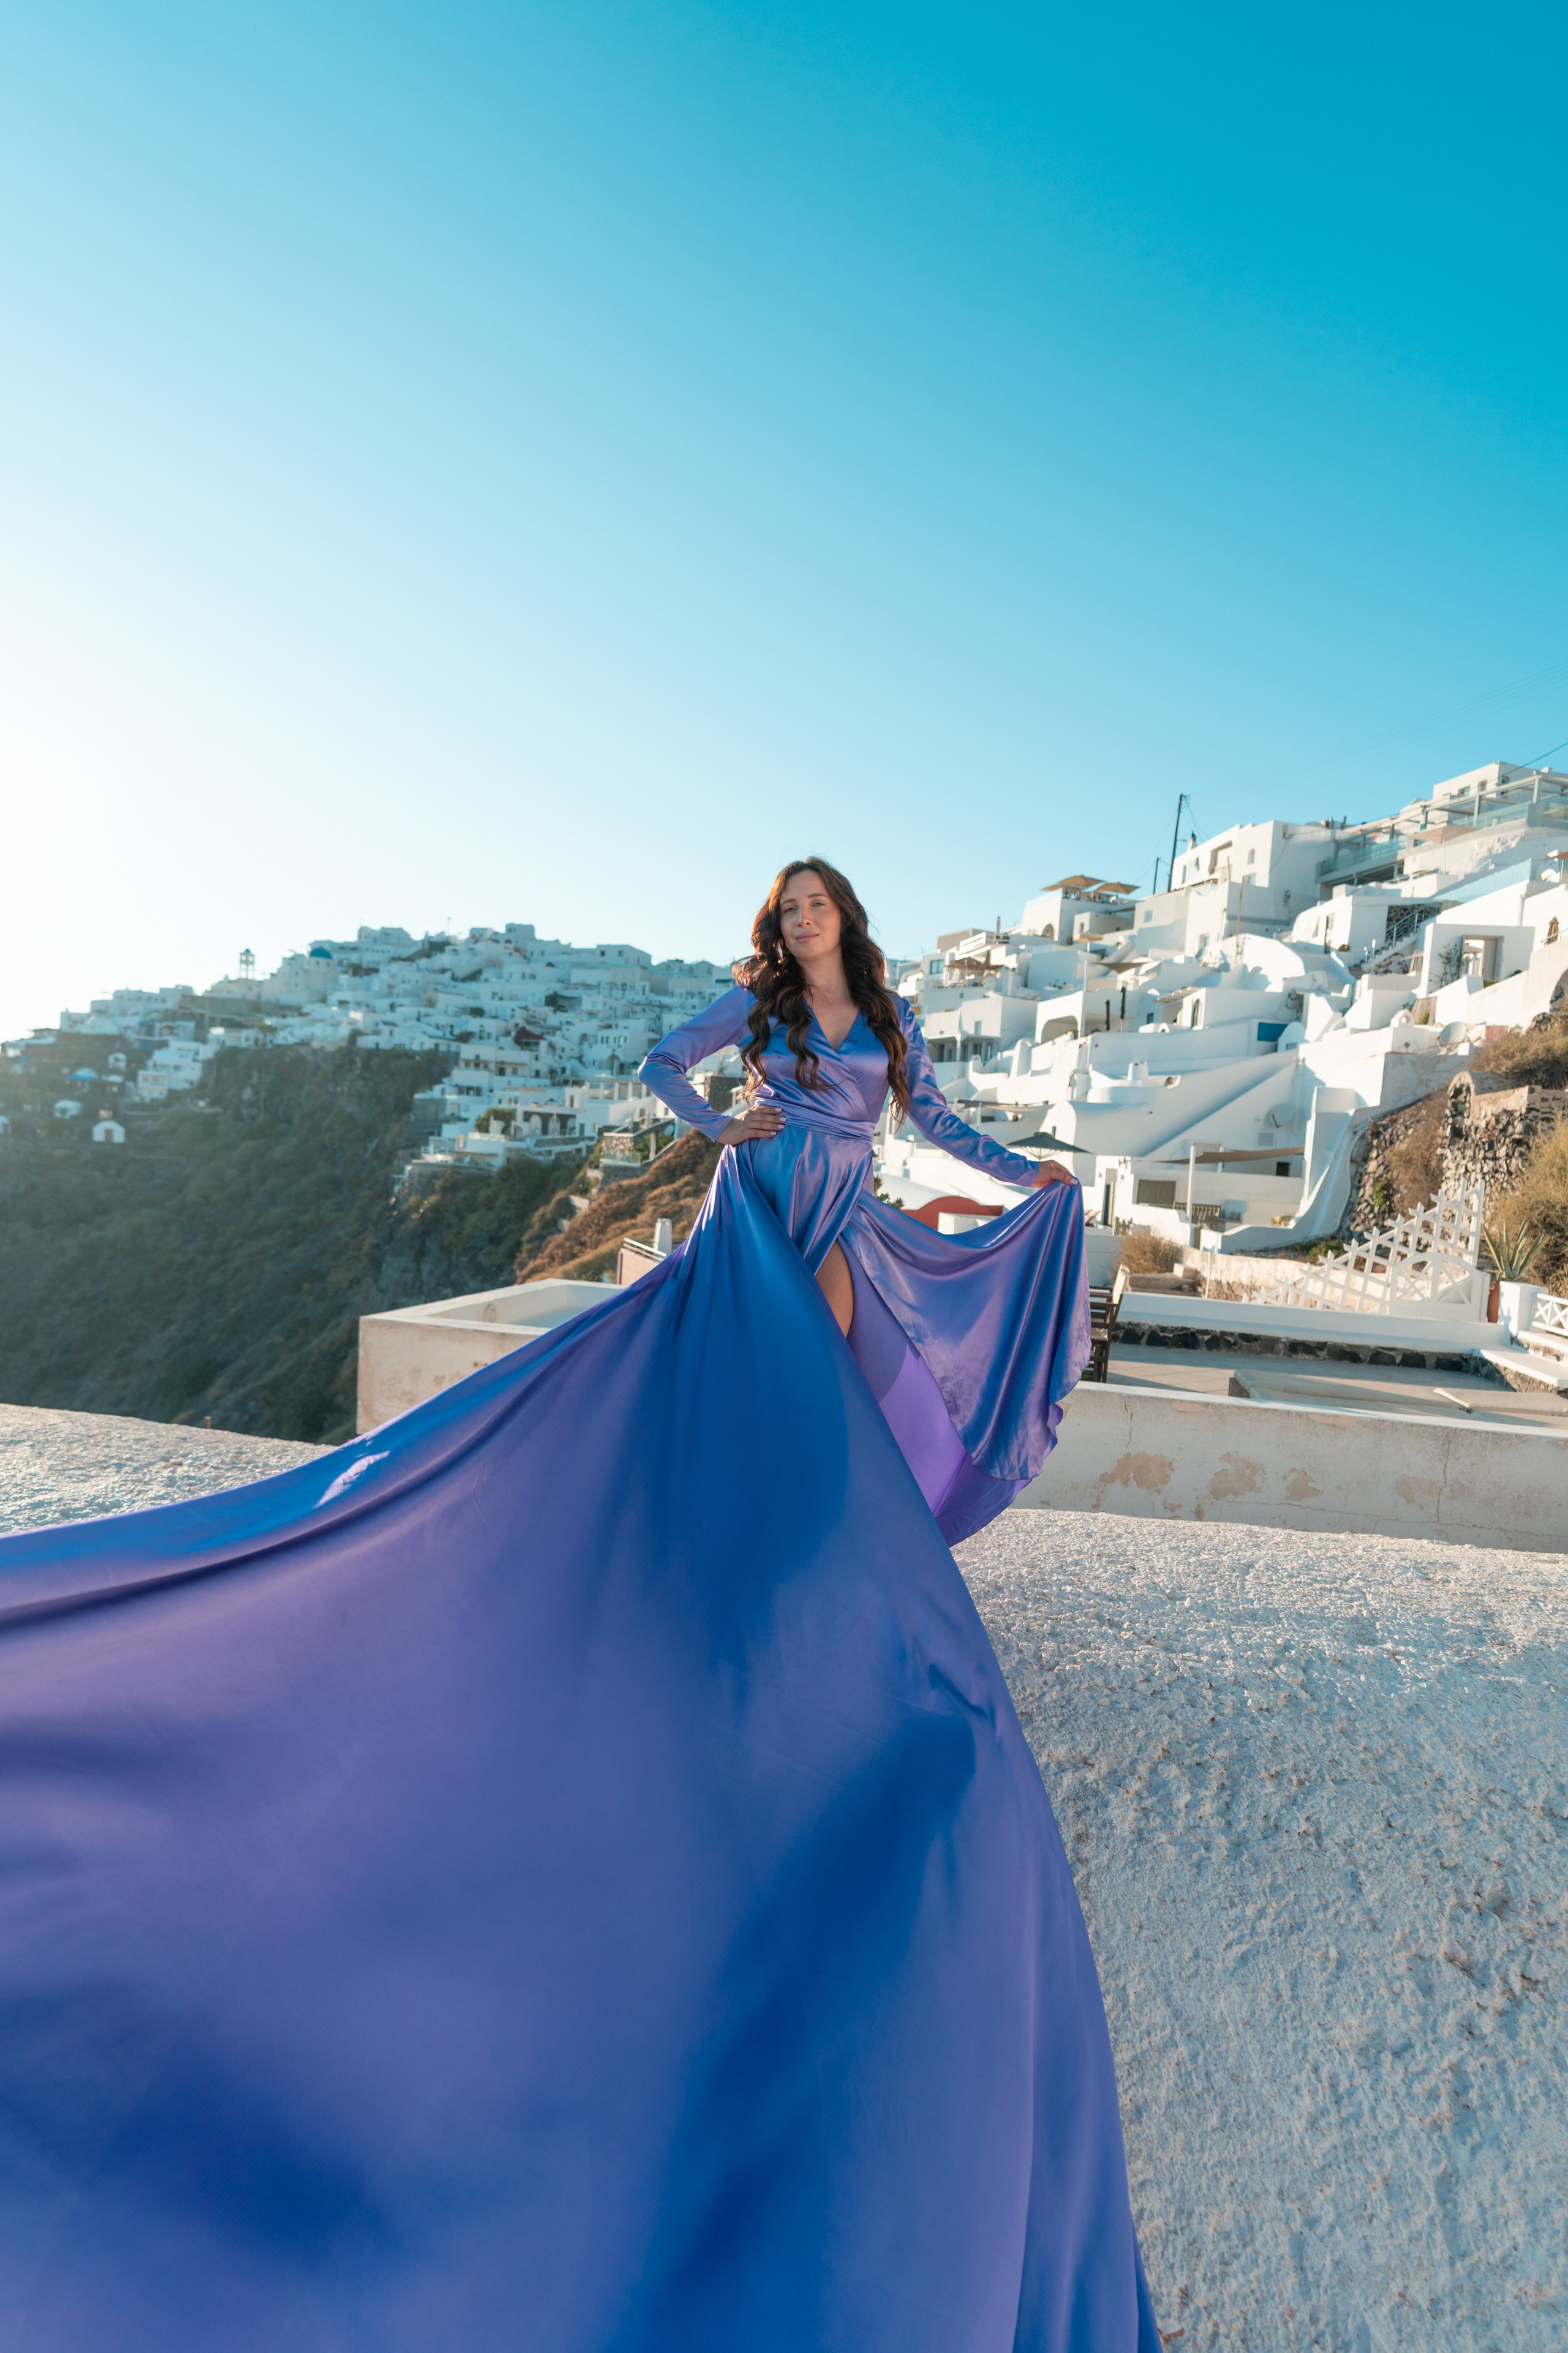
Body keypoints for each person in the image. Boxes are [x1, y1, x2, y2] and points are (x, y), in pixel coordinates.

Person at [0, 860, 1159, 2351]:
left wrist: (1026, 1175)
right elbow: (658, 1062)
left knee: (826, 1430)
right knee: (770, 1411)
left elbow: (933, 1124)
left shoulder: (882, 1018)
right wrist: (721, 1125)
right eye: (787, 906)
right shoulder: (754, 1011)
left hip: (839, 1232)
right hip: (756, 1224)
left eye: (817, 903)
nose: (801, 920)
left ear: (846, 918)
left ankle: (793, 1579)